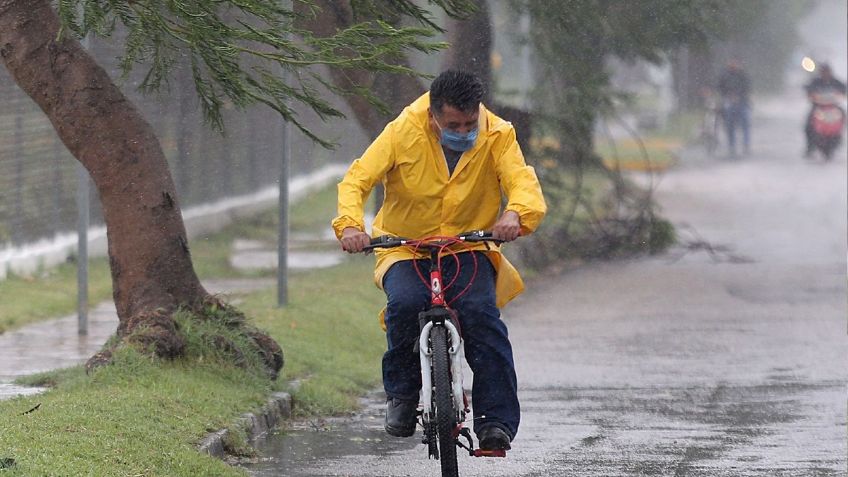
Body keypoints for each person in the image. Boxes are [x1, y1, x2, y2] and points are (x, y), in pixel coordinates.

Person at [332, 70, 546, 451]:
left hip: (468, 246)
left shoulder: (497, 133)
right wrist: (351, 225)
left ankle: (495, 421)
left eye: (469, 124)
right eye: (453, 125)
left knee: (481, 315)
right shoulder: (402, 130)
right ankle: (402, 397)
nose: (463, 132)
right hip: (406, 247)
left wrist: (515, 214)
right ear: (433, 116)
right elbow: (357, 180)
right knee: (405, 306)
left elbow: (521, 182)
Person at [803, 63, 847, 158]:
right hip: (819, 107)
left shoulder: (836, 82)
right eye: (823, 71)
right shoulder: (816, 82)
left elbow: (843, 89)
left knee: (842, 114)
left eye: (827, 71)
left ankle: (838, 137)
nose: (825, 74)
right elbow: (809, 90)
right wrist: (810, 94)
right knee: (809, 122)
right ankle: (810, 146)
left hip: (833, 107)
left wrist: (842, 93)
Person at [717, 59, 752, 157]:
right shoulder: (725, 75)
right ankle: (731, 145)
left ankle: (746, 144)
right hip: (729, 101)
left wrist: (739, 96)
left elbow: (747, 88)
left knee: (745, 122)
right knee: (729, 123)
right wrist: (728, 96)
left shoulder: (743, 75)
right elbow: (720, 88)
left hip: (742, 102)